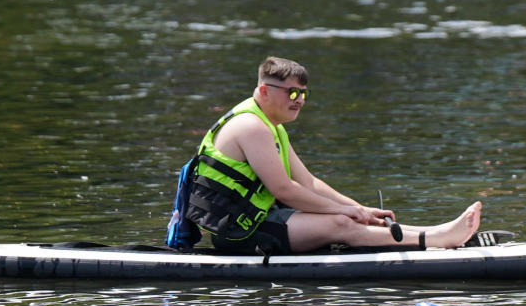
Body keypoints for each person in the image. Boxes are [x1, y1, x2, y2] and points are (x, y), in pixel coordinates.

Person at [185, 56, 483, 255]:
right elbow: (284, 190)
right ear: (264, 91)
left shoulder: (270, 126)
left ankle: (437, 232)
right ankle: (435, 240)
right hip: (238, 232)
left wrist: (360, 208)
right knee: (341, 223)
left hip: (261, 219)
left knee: (351, 218)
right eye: (292, 93)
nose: (300, 100)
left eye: (304, 93)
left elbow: (308, 182)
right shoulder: (251, 127)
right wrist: (344, 213)